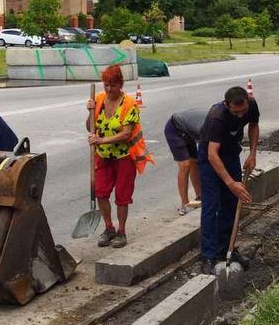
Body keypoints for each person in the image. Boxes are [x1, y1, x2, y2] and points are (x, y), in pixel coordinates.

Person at [197, 86, 259, 274]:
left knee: (231, 203)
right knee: (211, 204)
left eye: (243, 111)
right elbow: (212, 154)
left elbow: (254, 126)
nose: (241, 116)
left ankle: (225, 249)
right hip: (210, 156)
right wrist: (230, 182)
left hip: (231, 153)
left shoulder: (252, 104)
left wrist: (253, 154)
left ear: (247, 102)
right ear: (227, 105)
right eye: (236, 112)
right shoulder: (217, 116)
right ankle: (207, 256)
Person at [86, 64, 150, 248]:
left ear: (120, 84)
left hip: (124, 157)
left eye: (113, 85)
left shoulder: (129, 104)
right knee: (101, 192)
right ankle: (109, 228)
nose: (108, 88)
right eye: (106, 84)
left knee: (122, 196)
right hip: (103, 156)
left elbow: (126, 134)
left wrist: (101, 141)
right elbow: (90, 127)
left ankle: (121, 232)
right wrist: (89, 111)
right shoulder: (98, 99)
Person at [163, 107, 207, 216]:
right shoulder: (207, 128)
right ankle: (184, 203)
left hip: (189, 131)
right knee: (185, 165)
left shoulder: (215, 123)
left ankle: (200, 196)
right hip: (175, 129)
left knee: (195, 162)